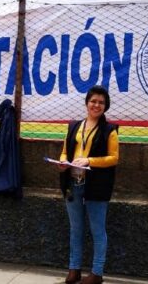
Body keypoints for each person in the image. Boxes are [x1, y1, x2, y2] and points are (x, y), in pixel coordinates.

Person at [55, 85, 119, 284]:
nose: (96, 105)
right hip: (73, 183)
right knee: (76, 228)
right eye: (93, 101)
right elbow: (66, 150)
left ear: (105, 106)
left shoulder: (110, 130)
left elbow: (114, 158)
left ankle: (97, 273)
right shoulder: (74, 126)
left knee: (97, 230)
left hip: (96, 185)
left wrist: (90, 161)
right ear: (87, 103)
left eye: (101, 102)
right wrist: (63, 162)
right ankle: (74, 269)